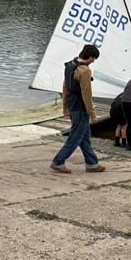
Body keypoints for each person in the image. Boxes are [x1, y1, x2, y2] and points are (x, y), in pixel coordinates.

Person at [50, 44, 106, 174]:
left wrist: (65, 106)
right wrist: (93, 114)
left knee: (85, 136)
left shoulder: (70, 65)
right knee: (75, 137)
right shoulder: (85, 71)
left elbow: (65, 87)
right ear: (90, 57)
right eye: (94, 59)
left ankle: (92, 164)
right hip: (81, 108)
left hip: (71, 105)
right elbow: (86, 94)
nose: (93, 61)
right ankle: (58, 162)